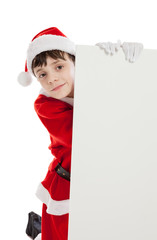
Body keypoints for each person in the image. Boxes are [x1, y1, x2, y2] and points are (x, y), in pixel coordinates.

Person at [17, 27, 143, 240]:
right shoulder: (45, 104)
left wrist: (120, 63)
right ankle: (39, 226)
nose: (52, 79)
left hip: (106, 179)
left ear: (75, 62)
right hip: (69, 184)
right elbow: (87, 137)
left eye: (59, 66)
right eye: (42, 74)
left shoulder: (93, 83)